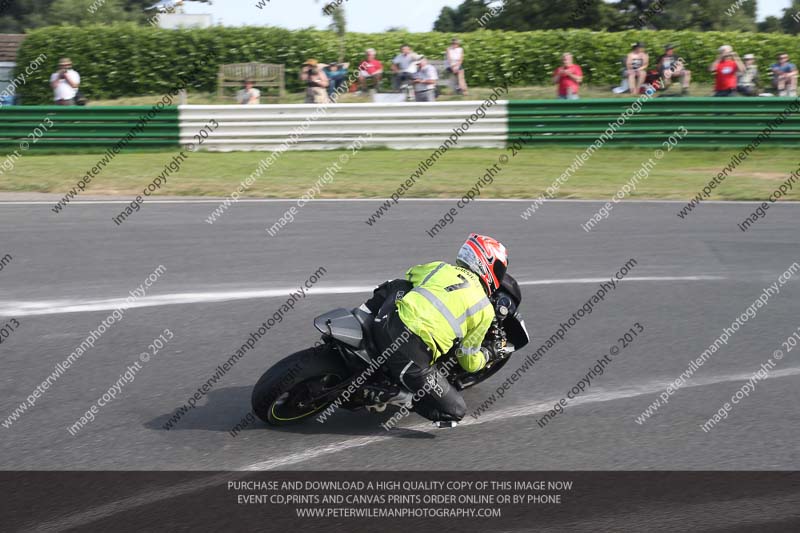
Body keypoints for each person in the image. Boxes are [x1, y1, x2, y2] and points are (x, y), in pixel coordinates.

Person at [363, 234, 509, 425]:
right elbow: (468, 362)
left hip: (384, 322)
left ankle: (360, 315)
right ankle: (395, 394)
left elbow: (410, 275)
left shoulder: (440, 267)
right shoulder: (485, 310)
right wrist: (489, 353)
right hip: (406, 356)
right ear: (486, 264)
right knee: (455, 411)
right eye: (498, 269)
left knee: (399, 284)